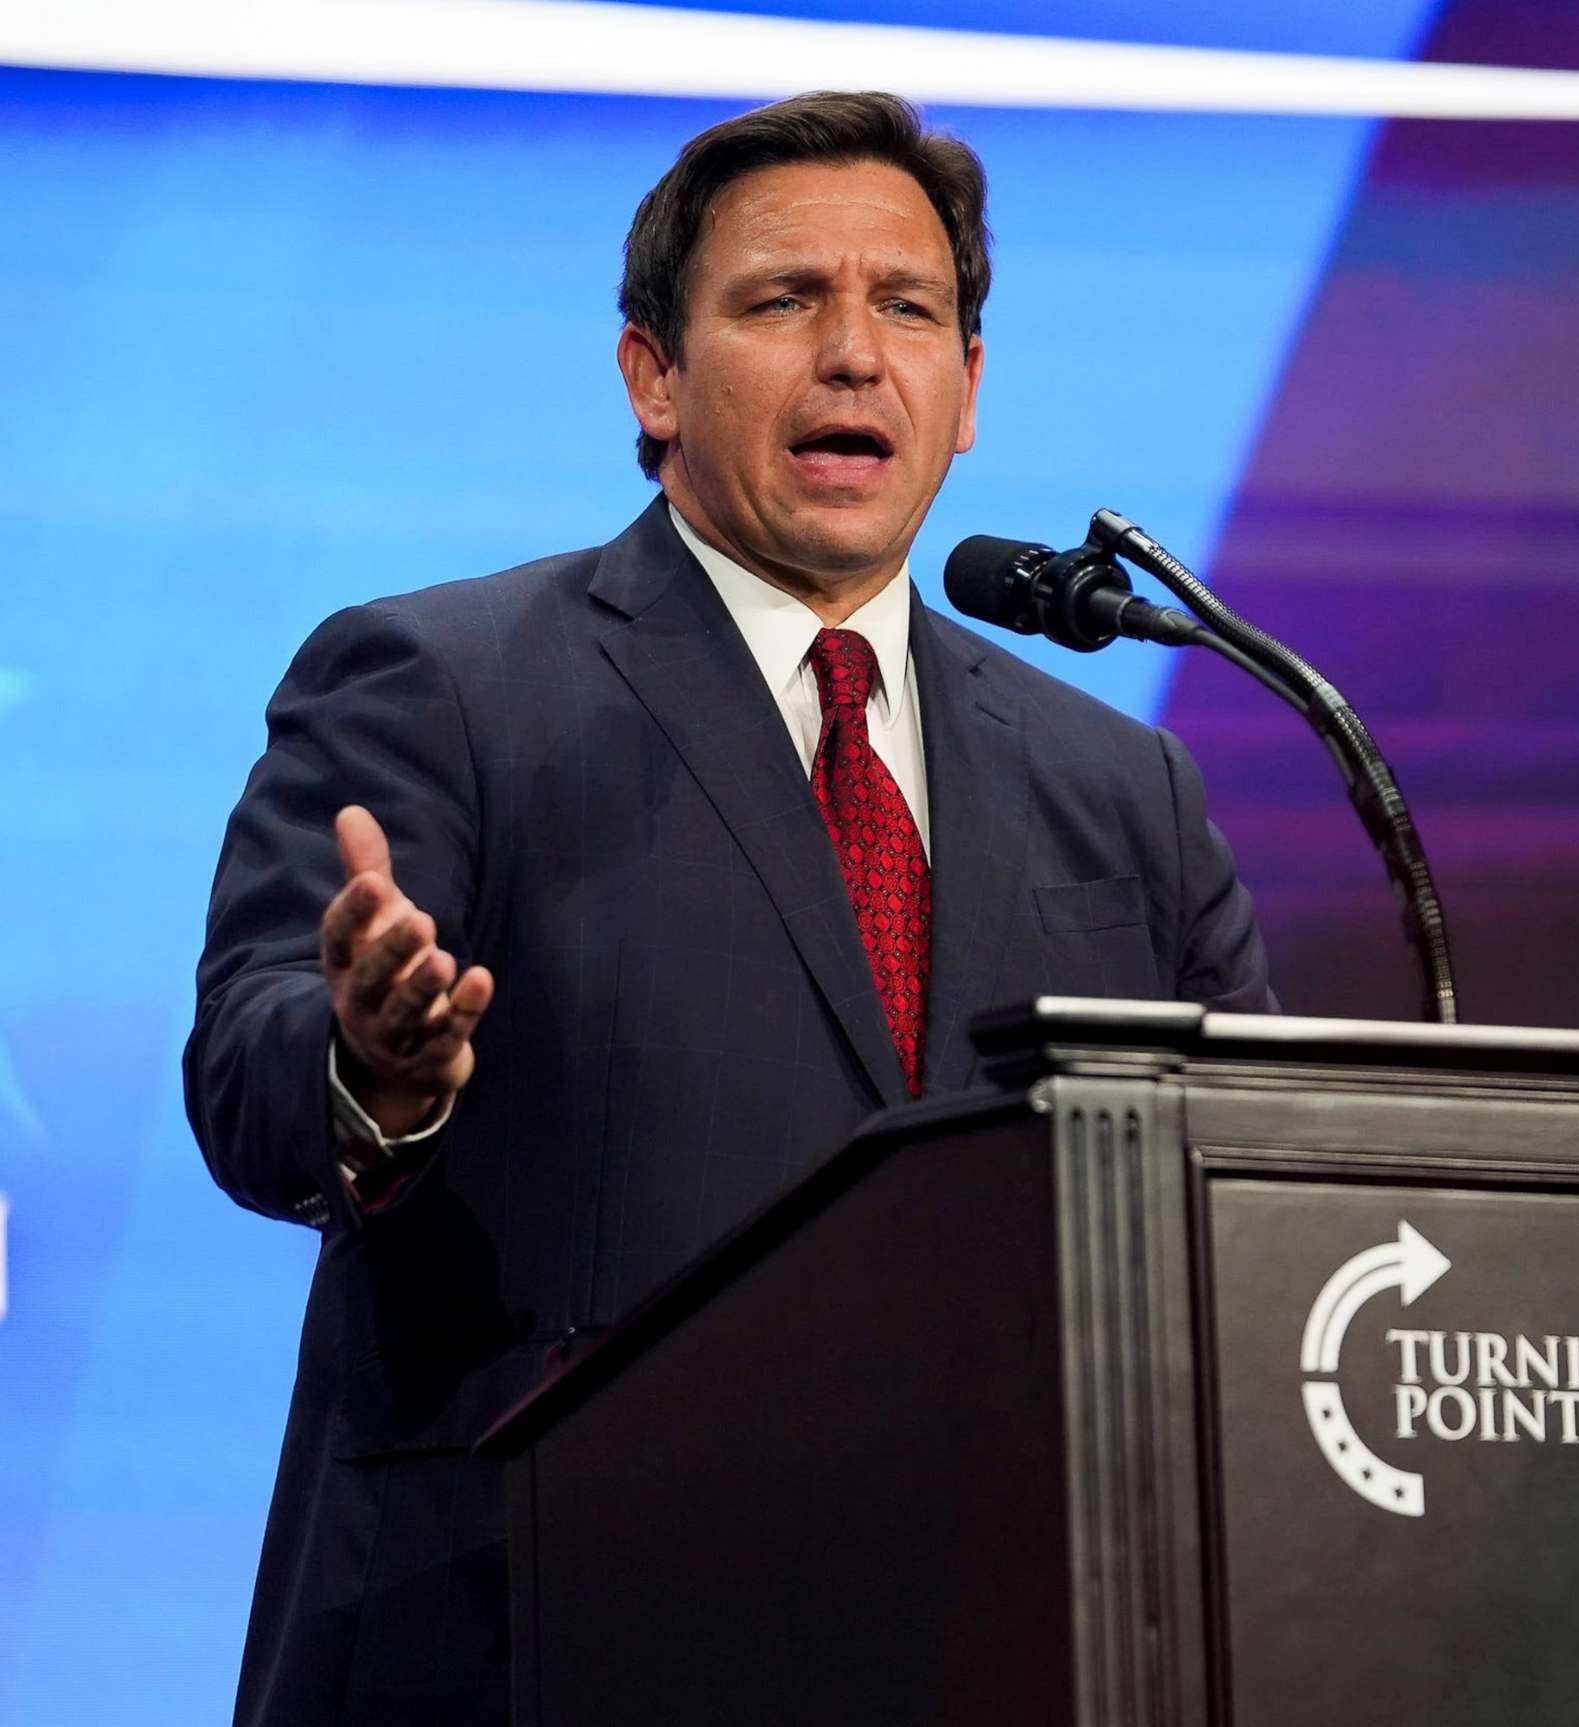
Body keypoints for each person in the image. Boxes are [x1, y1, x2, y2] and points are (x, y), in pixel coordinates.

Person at [185, 90, 1272, 1726]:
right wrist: (372, 1077)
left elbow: (1244, 1176)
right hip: (528, 1632)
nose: (854, 353)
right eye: (783, 302)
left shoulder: (1118, 783)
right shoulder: (444, 682)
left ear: (967, 390)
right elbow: (253, 1064)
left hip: (995, 1639)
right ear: (654, 376)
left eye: (907, 308)